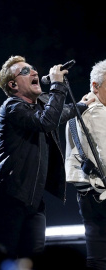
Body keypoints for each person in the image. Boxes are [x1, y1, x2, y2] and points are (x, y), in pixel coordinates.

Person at [0, 55, 94, 261]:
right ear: (13, 84)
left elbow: (58, 114)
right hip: (8, 198)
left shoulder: (41, 105)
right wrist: (58, 85)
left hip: (33, 201)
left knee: (33, 262)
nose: (34, 72)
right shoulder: (12, 107)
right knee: (6, 263)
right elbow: (46, 122)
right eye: (25, 71)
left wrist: (82, 105)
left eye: (33, 68)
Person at [65, 59, 106, 270]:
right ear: (95, 86)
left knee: (98, 255)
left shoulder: (77, 112)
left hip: (87, 195)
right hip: (102, 195)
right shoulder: (98, 113)